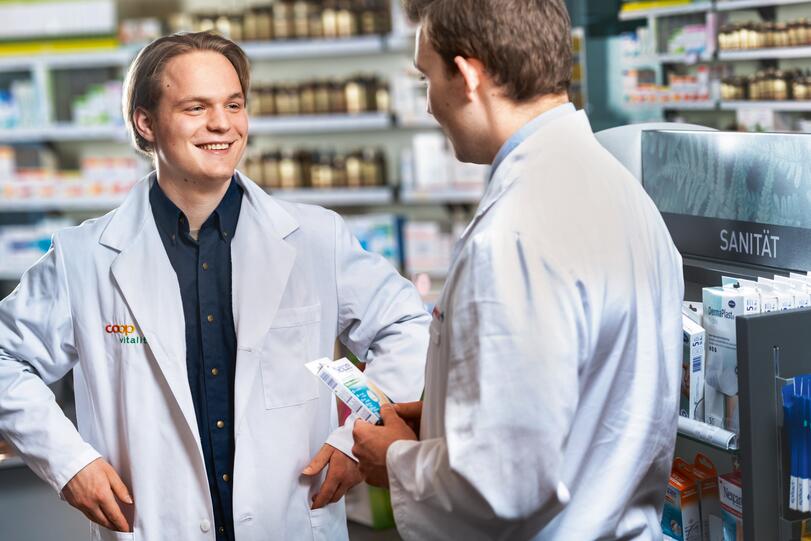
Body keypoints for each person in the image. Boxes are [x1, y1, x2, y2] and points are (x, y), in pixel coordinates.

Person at [0, 32, 429, 541]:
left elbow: (407, 325)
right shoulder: (84, 257)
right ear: (146, 122)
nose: (222, 124)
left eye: (233, 104)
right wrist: (69, 463)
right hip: (156, 525)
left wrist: (356, 437)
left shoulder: (316, 237)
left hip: (289, 519)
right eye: (195, 107)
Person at [351, 1, 685, 539]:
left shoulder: (515, 234)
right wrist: (444, 424)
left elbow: (504, 482)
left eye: (426, 78)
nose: (431, 105)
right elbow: (583, 408)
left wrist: (394, 461)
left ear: (466, 77)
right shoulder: (620, 190)